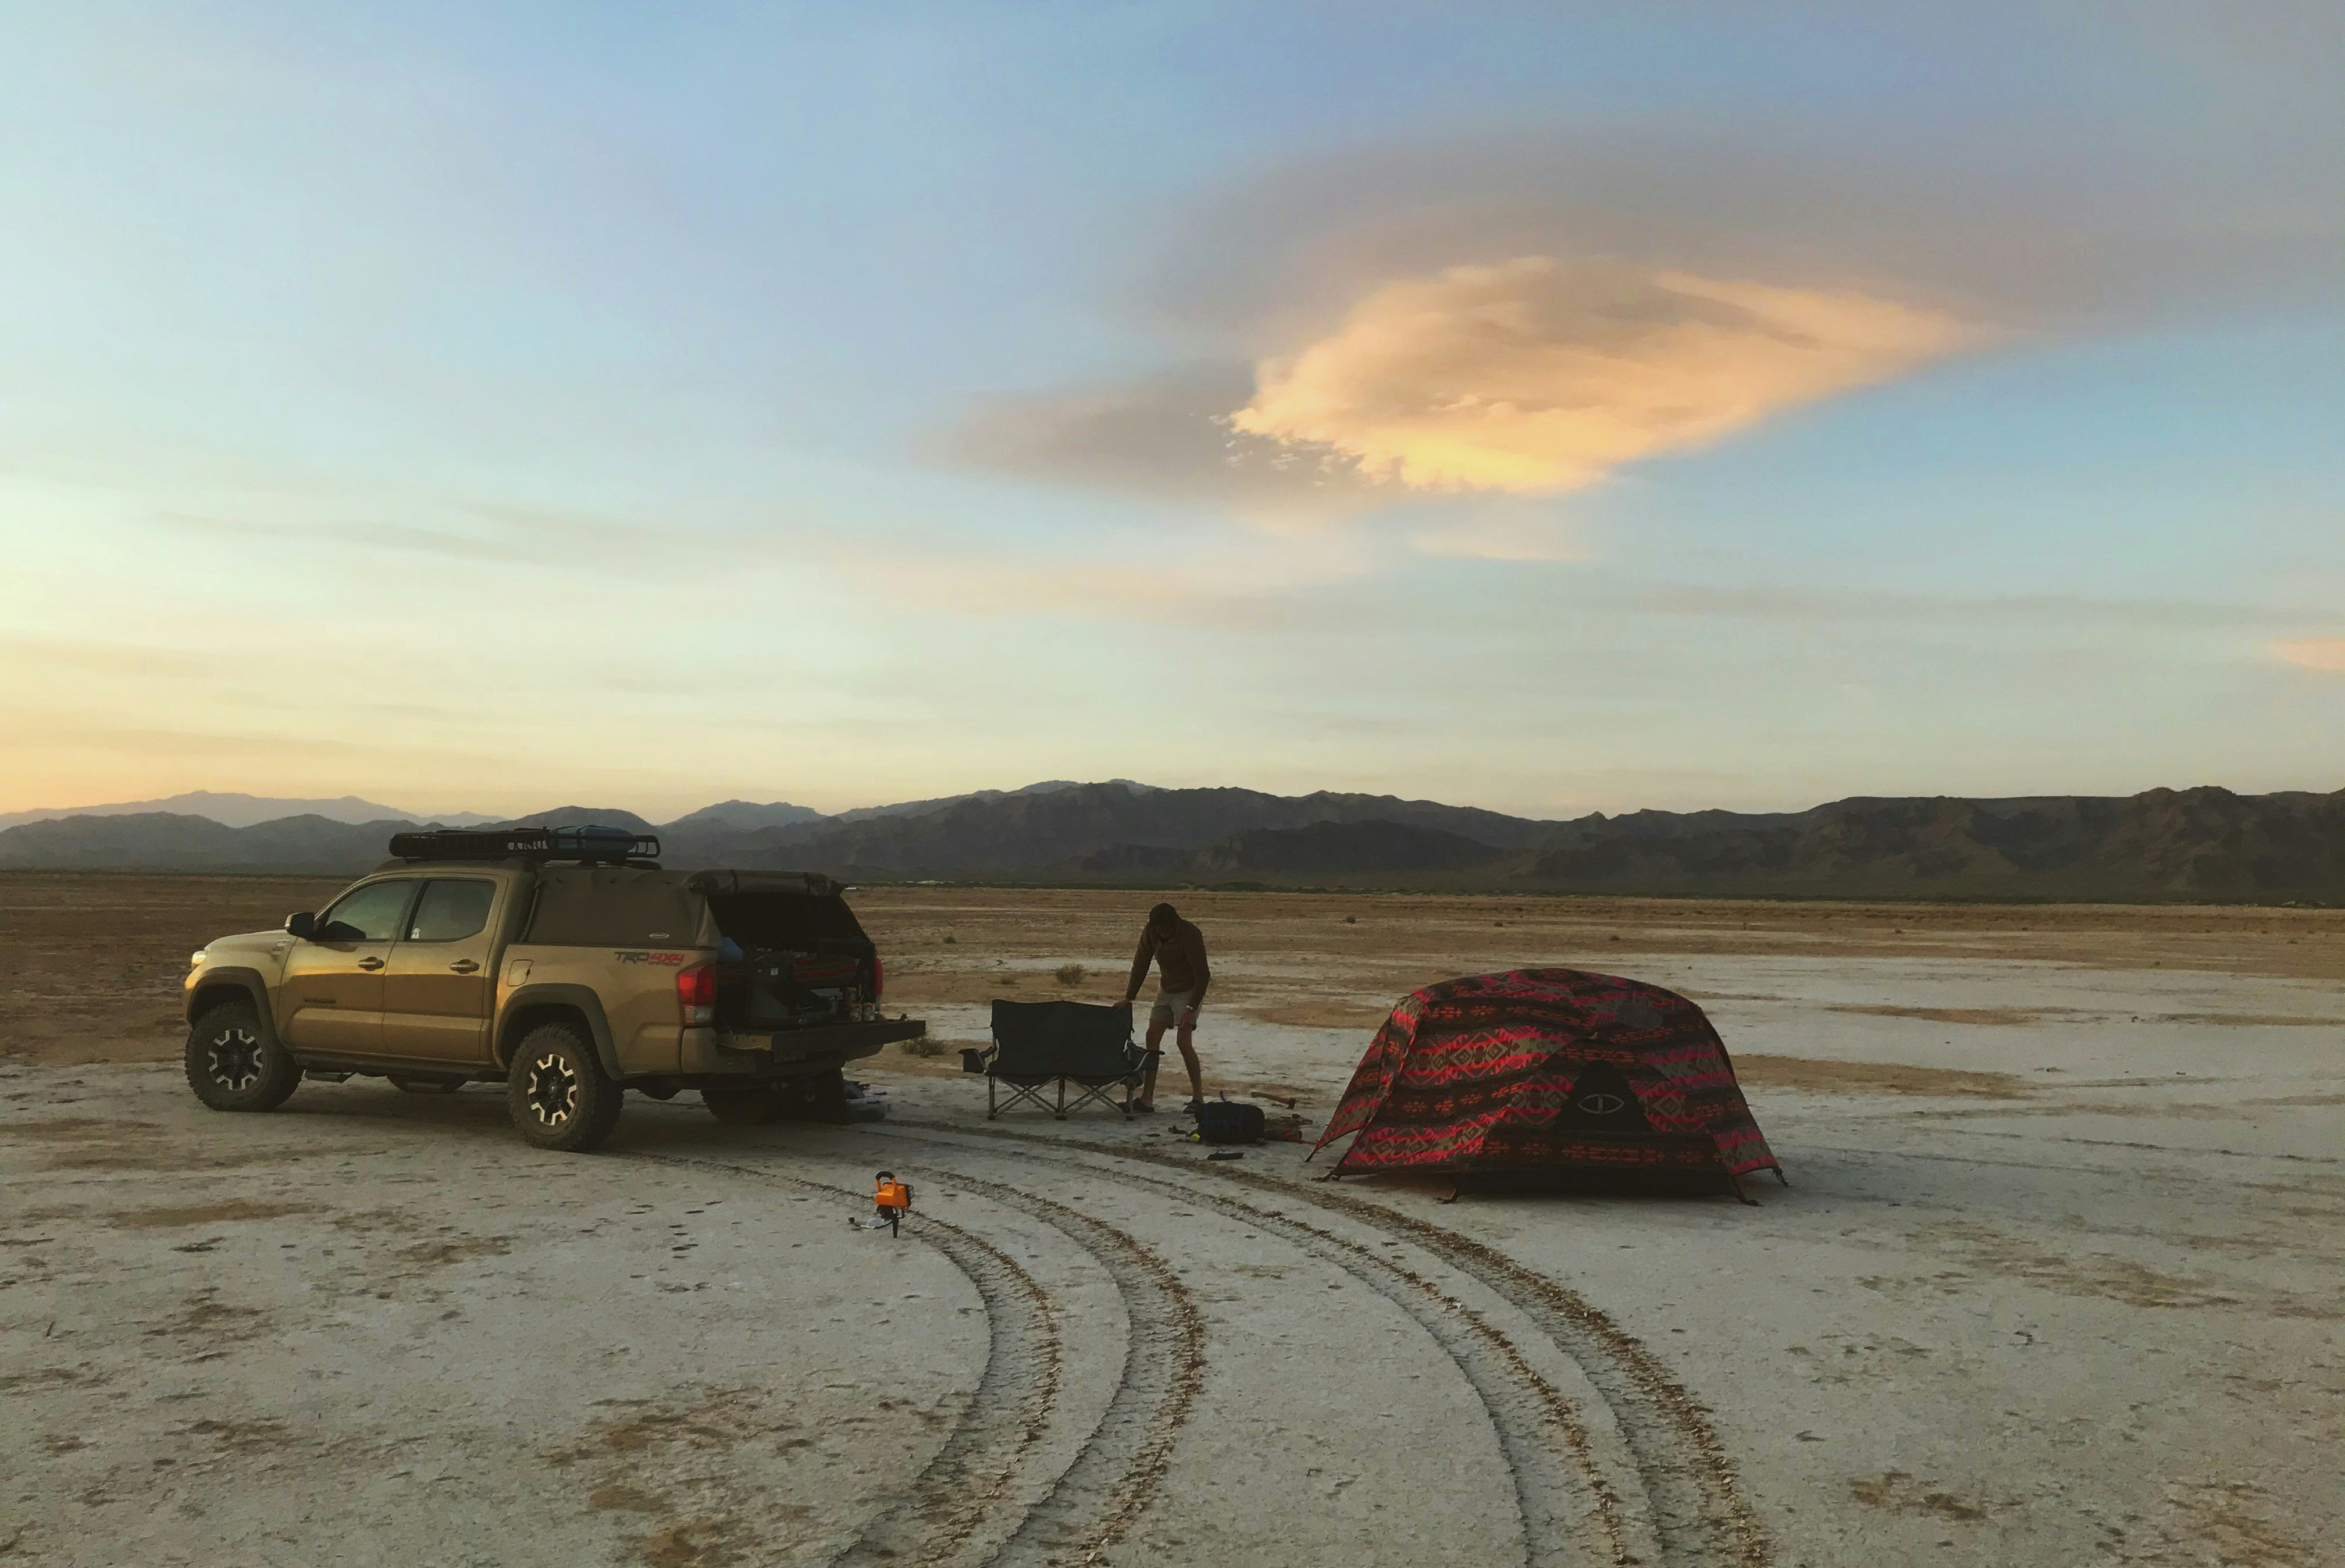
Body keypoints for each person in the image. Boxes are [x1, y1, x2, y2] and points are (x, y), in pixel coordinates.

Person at [1117, 901, 1209, 1114]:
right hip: (1167, 990)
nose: (1163, 932)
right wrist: (1129, 997)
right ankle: (1146, 1099)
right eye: (1159, 928)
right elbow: (1141, 962)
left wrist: (1190, 1008)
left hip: (1189, 991)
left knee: (1183, 1042)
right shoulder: (1150, 933)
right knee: (1152, 1036)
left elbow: (1203, 975)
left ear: (1175, 924)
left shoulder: (1190, 934)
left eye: (1167, 928)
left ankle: (1198, 1098)